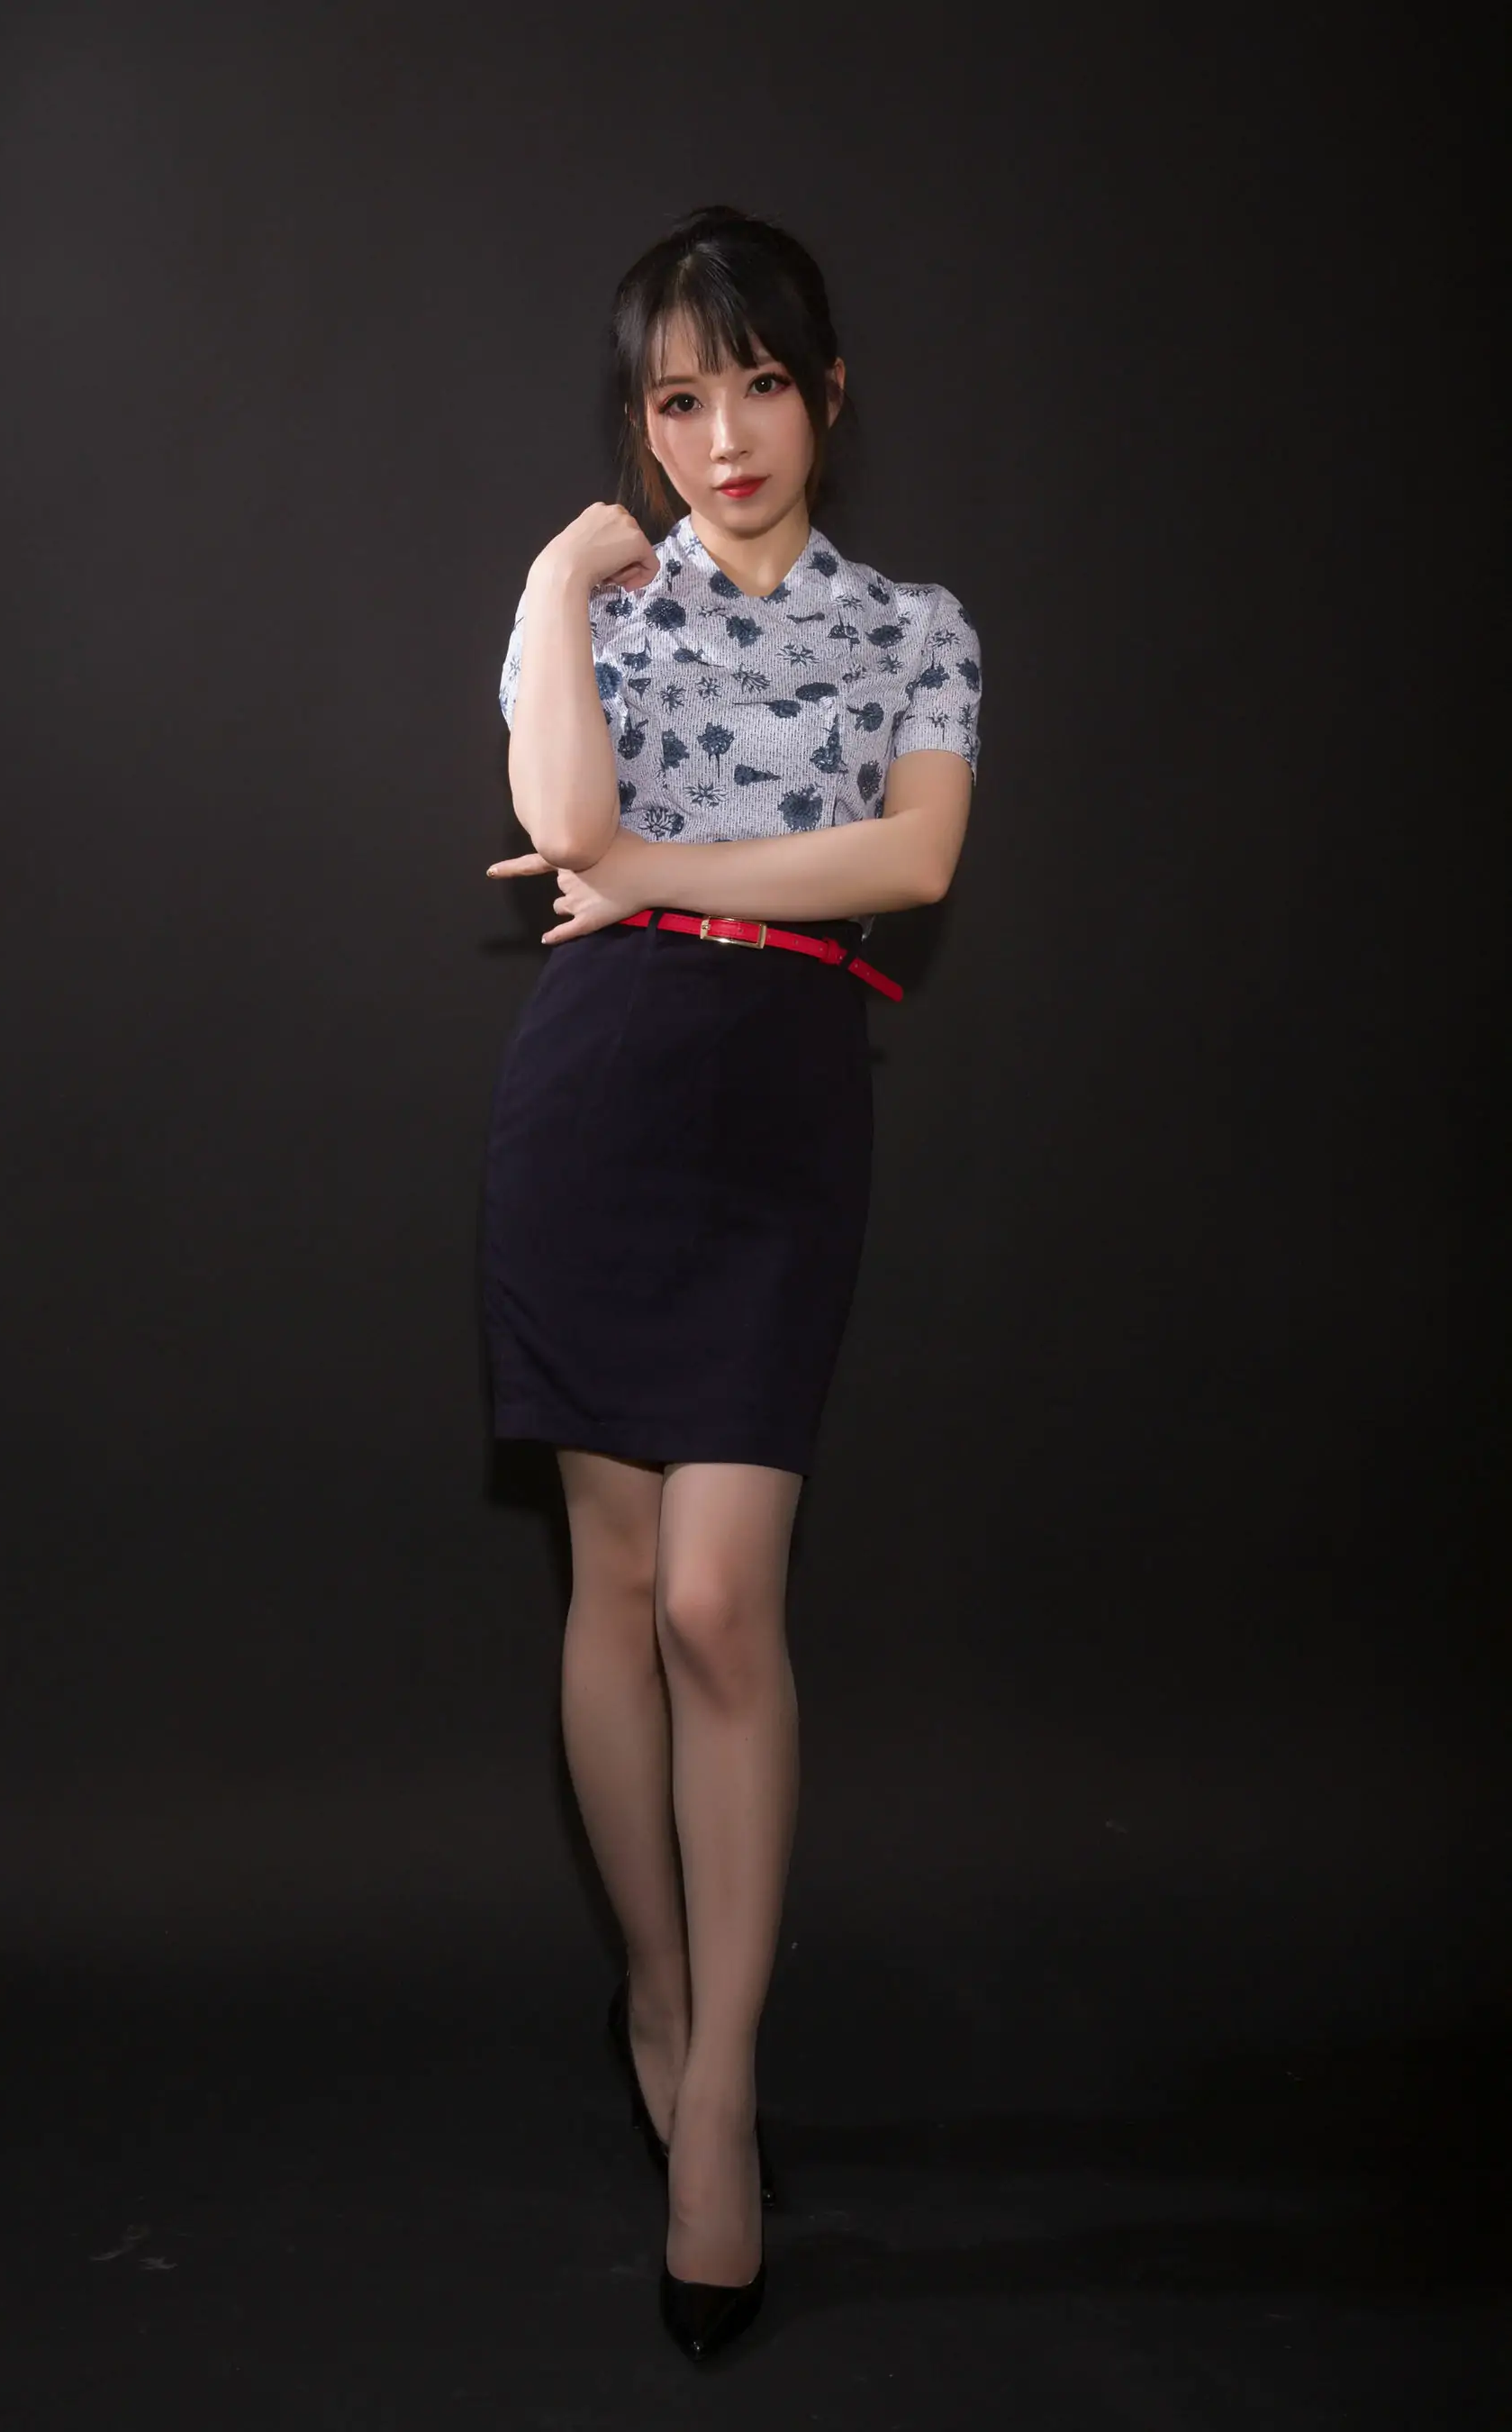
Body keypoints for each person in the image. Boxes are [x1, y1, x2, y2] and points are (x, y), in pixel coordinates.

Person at [480, 203, 982, 2361]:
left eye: (759, 383)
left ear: (824, 391)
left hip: (780, 1112)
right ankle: (666, 2005)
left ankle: (723, 2097)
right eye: (680, 400)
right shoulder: (601, 608)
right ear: (643, 426)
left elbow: (910, 857)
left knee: (715, 1604)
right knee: (612, 1584)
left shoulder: (917, 630)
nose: (725, 435)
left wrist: (661, 876)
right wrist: (550, 584)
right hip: (594, 1103)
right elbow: (558, 816)